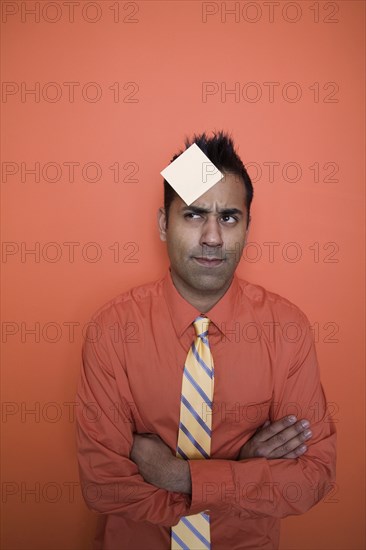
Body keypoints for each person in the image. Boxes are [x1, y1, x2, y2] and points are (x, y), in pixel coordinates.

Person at [75, 131, 337, 550]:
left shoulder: (287, 330)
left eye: (229, 217)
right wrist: (245, 467)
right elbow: (107, 489)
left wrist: (177, 475)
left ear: (248, 227)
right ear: (164, 224)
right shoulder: (112, 330)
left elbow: (310, 479)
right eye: (194, 215)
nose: (212, 237)